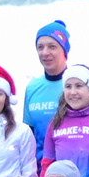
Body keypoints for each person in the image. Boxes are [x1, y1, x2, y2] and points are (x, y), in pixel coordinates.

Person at [20, 21, 72, 155]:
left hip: (72, 168)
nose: (45, 53)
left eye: (52, 46)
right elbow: (28, 134)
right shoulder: (33, 87)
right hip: (40, 168)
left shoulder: (78, 84)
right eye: (40, 47)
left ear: (64, 50)